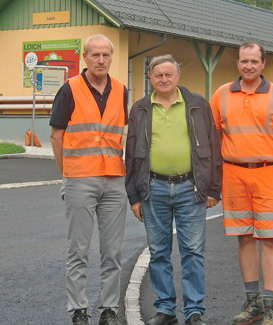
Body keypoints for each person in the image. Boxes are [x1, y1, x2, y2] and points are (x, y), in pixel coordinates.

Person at [209, 42, 273, 325]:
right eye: (243, 61)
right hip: (234, 175)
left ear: (263, 64)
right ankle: (253, 304)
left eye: (253, 61)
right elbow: (214, 141)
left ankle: (270, 306)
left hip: (271, 174)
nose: (248, 66)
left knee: (272, 240)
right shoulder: (221, 95)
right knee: (245, 239)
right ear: (237, 63)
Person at [125, 54, 222, 325]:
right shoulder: (140, 109)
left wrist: (214, 188)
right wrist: (133, 195)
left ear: (178, 76)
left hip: (190, 188)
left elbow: (214, 148)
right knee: (158, 251)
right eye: (158, 75)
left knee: (192, 250)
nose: (164, 79)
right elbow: (131, 152)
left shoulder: (198, 105)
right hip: (152, 188)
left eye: (169, 74)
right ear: (150, 78)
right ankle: (166, 309)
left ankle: (194, 312)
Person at [49, 34, 128, 325]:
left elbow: (124, 132)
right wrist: (67, 173)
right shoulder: (69, 90)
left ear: (111, 56)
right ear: (85, 57)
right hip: (80, 179)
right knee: (78, 250)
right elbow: (56, 135)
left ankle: (109, 309)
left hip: (114, 179)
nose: (101, 60)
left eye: (106, 55)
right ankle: (78, 310)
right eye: (95, 55)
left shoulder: (121, 90)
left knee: (113, 251)